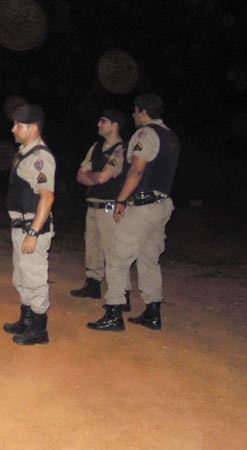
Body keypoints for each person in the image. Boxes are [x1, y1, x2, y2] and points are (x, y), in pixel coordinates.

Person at [87, 94, 179, 332]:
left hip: (142, 206)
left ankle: (114, 312)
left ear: (143, 112)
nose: (134, 115)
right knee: (149, 260)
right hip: (162, 205)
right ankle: (152, 312)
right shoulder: (171, 137)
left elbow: (137, 170)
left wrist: (120, 200)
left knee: (117, 258)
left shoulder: (145, 134)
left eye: (135, 111)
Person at [2, 104, 56, 346]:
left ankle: (39, 329)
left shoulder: (40, 158)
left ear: (33, 128)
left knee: (34, 278)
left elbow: (47, 197)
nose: (13, 129)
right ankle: (26, 320)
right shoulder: (24, 153)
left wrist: (33, 232)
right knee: (21, 276)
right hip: (21, 226)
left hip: (32, 228)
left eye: (18, 125)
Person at [71, 109, 132, 311]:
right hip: (93, 204)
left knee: (113, 251)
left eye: (103, 121)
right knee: (92, 248)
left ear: (115, 125)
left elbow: (104, 177)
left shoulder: (121, 149)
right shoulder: (96, 147)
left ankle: (122, 294)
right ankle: (93, 285)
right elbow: (79, 175)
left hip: (110, 206)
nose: (99, 124)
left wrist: (91, 176)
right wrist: (94, 177)